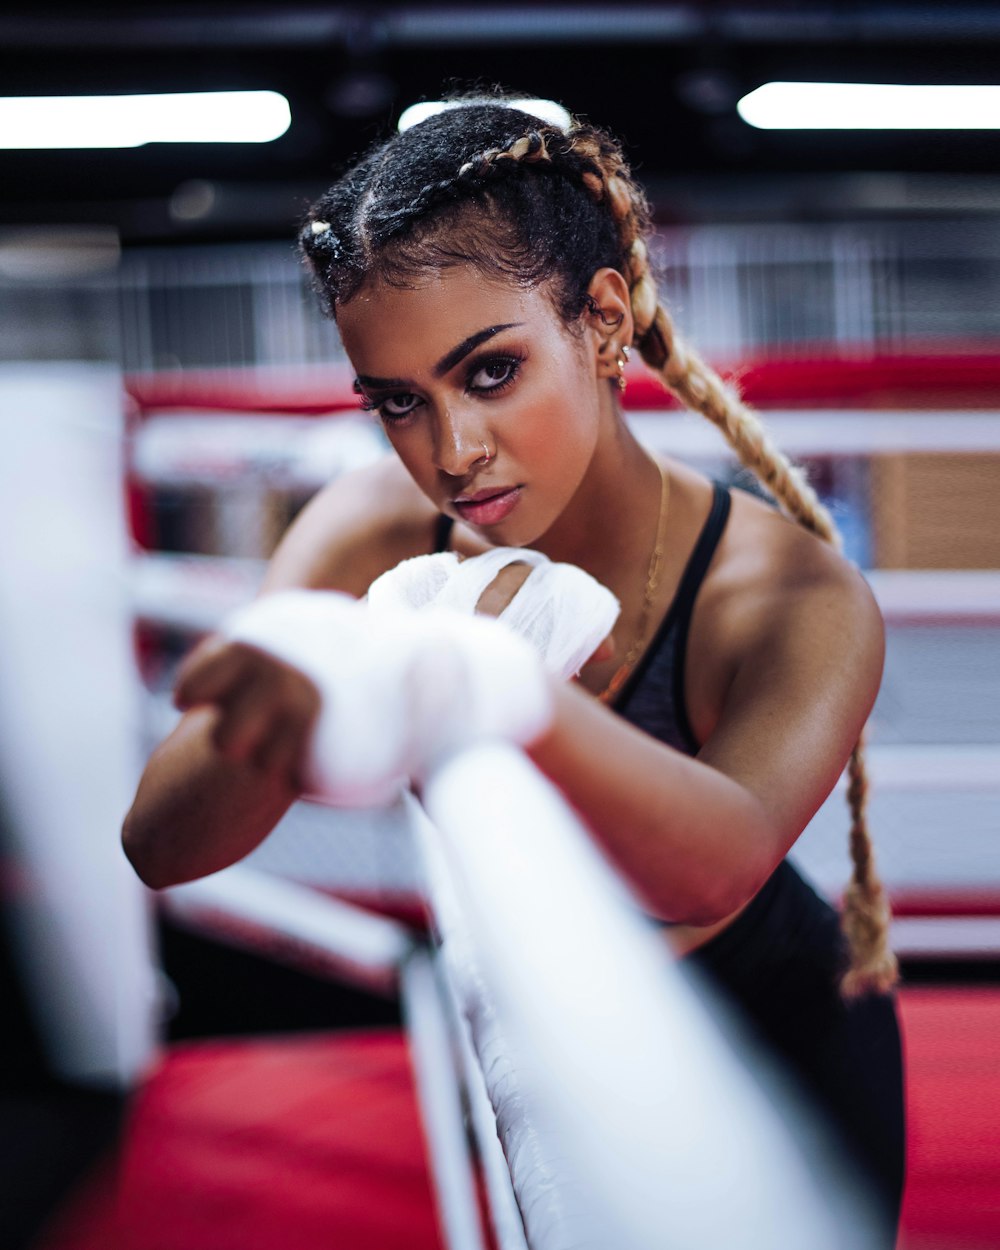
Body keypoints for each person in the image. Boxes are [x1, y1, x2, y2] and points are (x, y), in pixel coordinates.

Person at [122, 94, 904, 1234]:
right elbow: (161, 842)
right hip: (544, 1032)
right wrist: (311, 669)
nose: (450, 451)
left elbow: (709, 869)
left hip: (772, 1058)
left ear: (598, 321)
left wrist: (475, 684)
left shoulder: (787, 594)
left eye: (488, 372)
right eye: (398, 401)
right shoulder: (374, 529)